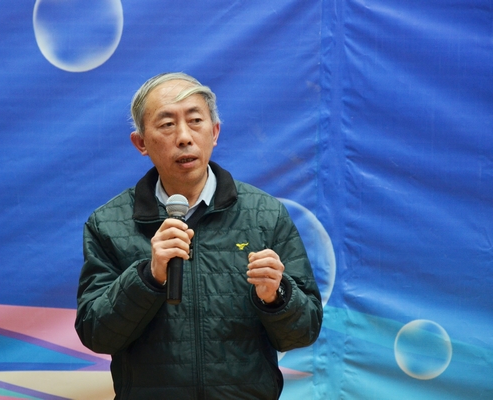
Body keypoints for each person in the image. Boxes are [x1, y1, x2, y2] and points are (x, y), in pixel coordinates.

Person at [75, 72, 323, 399]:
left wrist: (276, 297)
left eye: (195, 121)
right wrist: (148, 277)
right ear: (141, 143)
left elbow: (302, 333)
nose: (184, 137)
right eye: (167, 124)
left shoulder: (265, 215)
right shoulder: (109, 223)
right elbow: (96, 335)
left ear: (214, 132)